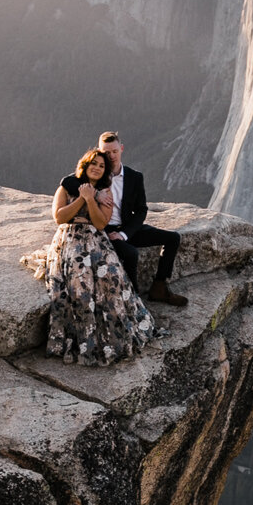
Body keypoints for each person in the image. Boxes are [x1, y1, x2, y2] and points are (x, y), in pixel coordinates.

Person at [43, 148, 156, 365]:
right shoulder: (66, 187)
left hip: (95, 238)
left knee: (112, 277)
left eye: (102, 166)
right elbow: (60, 217)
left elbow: (101, 223)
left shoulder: (106, 192)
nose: (97, 168)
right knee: (80, 282)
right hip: (69, 238)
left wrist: (92, 199)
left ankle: (116, 330)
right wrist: (83, 198)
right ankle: (84, 339)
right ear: (85, 165)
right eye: (93, 163)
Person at [95, 129, 188, 307]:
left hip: (127, 229)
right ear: (100, 153)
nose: (112, 156)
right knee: (132, 254)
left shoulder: (134, 177)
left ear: (121, 149)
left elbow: (141, 211)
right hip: (103, 231)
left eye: (115, 151)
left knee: (173, 238)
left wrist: (124, 234)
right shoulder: (95, 174)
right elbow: (68, 181)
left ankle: (159, 287)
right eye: (107, 153)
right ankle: (134, 299)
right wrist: (95, 194)